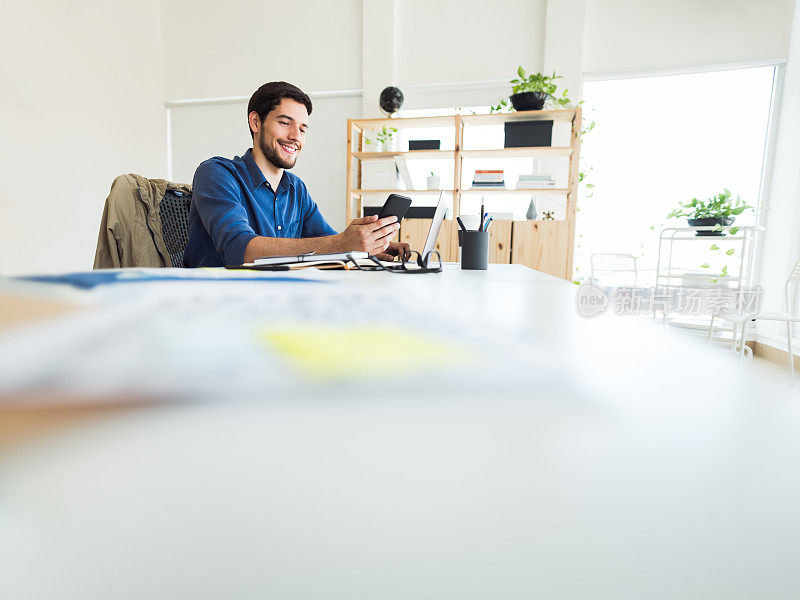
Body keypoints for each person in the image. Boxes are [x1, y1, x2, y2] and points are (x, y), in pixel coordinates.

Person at [184, 81, 410, 267]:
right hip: (217, 303)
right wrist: (343, 244)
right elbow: (240, 249)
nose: (296, 136)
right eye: (284, 123)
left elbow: (330, 242)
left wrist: (367, 247)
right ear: (256, 122)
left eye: (302, 129)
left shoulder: (296, 189)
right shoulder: (217, 174)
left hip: (278, 299)